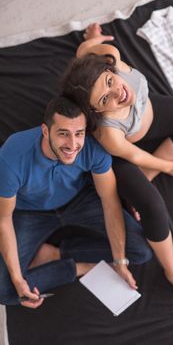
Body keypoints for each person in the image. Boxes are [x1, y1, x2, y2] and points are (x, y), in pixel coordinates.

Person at [61, 23, 173, 303]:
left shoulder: (109, 54)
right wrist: (171, 167)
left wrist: (92, 39)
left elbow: (84, 52)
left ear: (110, 68)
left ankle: (144, 178)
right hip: (125, 152)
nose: (118, 93)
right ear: (96, 110)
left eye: (111, 81)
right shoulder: (109, 134)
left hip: (153, 113)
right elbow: (134, 156)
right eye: (105, 98)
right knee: (151, 204)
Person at [0, 96, 153, 308]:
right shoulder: (12, 156)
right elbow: (3, 220)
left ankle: (55, 253)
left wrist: (119, 263)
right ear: (46, 131)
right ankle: (80, 267)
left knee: (140, 251)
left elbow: (110, 202)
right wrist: (18, 280)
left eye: (78, 134)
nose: (73, 144)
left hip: (79, 201)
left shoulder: (91, 146)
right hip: (31, 212)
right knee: (6, 292)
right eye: (63, 134)